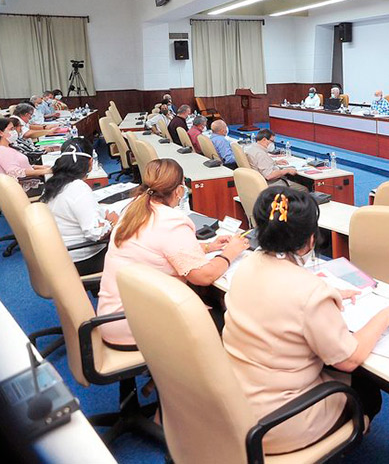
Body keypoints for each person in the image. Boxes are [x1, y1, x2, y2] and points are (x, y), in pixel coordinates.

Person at [222, 186, 389, 454]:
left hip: (235, 405)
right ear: (311, 239)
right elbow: (348, 360)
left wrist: (327, 296)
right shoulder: (310, 292)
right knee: (367, 389)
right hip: (279, 423)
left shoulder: (247, 266)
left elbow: (280, 298)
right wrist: (386, 316)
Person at [97, 159, 249, 349]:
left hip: (115, 316)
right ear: (179, 190)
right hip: (135, 326)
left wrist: (209, 247)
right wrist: (230, 252)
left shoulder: (134, 208)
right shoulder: (171, 221)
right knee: (226, 317)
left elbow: (157, 250)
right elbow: (203, 276)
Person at [41, 138, 116, 276]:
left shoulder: (53, 183)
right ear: (90, 162)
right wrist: (112, 221)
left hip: (61, 254)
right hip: (84, 258)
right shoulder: (78, 188)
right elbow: (96, 233)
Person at [0, 117, 51, 195]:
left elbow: (21, 165)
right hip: (22, 190)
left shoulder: (9, 146)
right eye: (11, 129)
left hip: (30, 184)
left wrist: (41, 167)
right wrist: (44, 171)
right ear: (1, 133)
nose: (14, 132)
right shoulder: (2, 150)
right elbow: (15, 172)